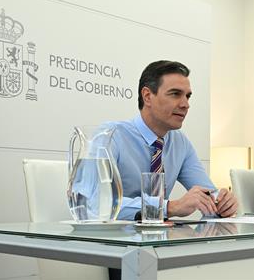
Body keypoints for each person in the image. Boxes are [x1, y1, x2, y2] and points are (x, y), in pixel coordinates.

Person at [101, 60, 238, 220]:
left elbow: (208, 195)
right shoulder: (110, 136)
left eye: (187, 96)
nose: (185, 104)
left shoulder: (180, 143)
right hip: (112, 241)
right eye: (175, 94)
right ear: (147, 96)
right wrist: (169, 207)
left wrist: (221, 203)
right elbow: (97, 202)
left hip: (161, 240)